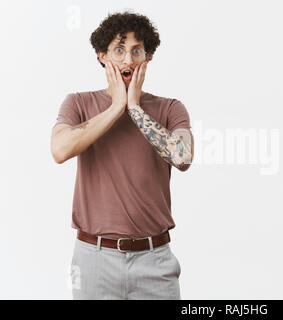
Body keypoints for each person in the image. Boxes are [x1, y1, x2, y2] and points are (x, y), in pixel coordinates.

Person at [50, 10, 194, 300]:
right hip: (94, 259)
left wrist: (135, 109)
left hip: (155, 260)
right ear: (102, 55)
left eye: (136, 51)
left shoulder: (170, 108)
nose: (128, 60)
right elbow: (60, 149)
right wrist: (116, 107)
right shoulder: (78, 103)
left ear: (148, 57)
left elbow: (182, 157)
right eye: (119, 50)